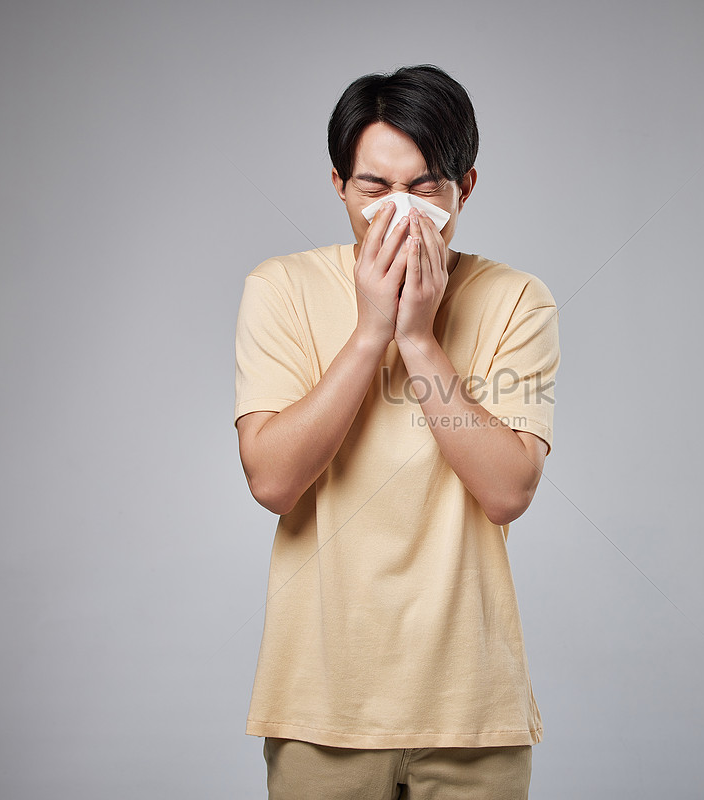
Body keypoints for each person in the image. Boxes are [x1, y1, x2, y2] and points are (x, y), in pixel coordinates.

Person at [233, 64, 560, 800]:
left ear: (464, 188)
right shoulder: (280, 289)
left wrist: (417, 337)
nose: (400, 212)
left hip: (473, 711)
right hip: (323, 708)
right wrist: (370, 328)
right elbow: (274, 481)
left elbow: (508, 490)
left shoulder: (515, 301)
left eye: (425, 189)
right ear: (339, 186)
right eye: (375, 190)